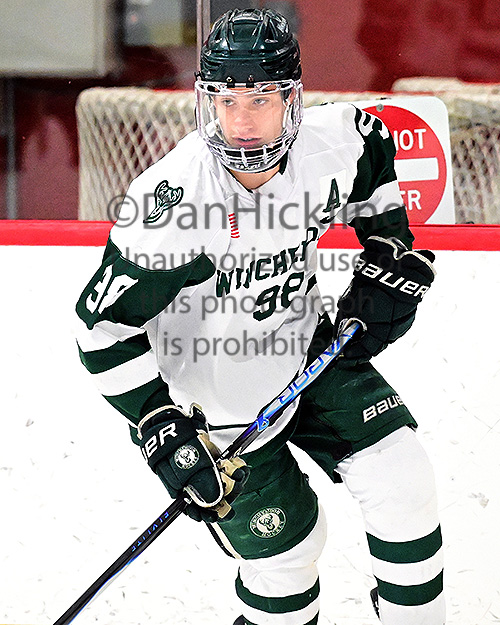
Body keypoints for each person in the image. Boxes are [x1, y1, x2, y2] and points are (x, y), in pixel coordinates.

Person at [75, 8, 445, 625]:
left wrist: (387, 249)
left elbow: (373, 156)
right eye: (225, 101)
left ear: (292, 99)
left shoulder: (336, 142)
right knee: (290, 558)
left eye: (259, 99)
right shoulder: (173, 205)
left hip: (308, 353)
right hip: (217, 406)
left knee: (402, 478)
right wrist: (159, 423)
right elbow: (101, 329)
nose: (240, 122)